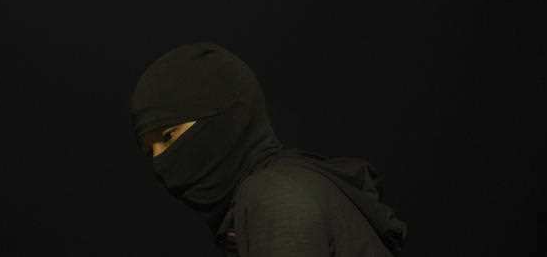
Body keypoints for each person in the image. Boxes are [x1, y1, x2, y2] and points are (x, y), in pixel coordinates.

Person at [129, 42, 407, 256]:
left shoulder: (274, 196)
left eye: (168, 136)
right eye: (148, 150)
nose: (159, 161)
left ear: (228, 118)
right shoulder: (286, 185)